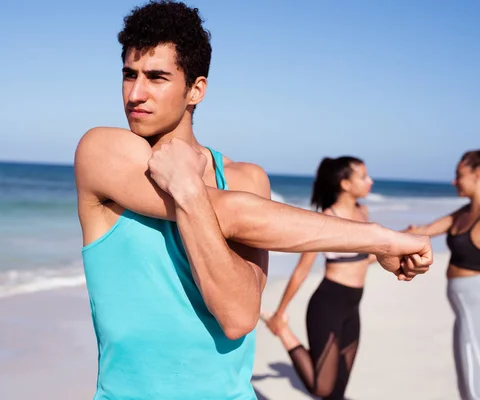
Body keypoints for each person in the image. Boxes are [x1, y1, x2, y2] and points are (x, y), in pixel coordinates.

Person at [73, 1, 432, 398]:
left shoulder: (245, 177)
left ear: (196, 89)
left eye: (157, 77)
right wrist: (380, 238)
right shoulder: (101, 152)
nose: (136, 94)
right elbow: (233, 213)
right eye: (129, 75)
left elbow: (239, 315)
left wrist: (188, 189)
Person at [260, 156, 378, 399]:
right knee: (321, 388)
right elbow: (302, 269)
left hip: (353, 306)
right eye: (363, 177)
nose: (370, 181)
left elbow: (363, 258)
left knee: (339, 390)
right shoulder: (326, 219)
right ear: (345, 184)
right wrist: (281, 311)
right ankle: (282, 330)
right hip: (328, 305)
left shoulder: (363, 212)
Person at [405, 150, 480, 400]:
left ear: (478, 174)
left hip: (475, 311)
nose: (454, 181)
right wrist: (372, 248)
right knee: (466, 379)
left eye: (459, 175)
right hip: (464, 312)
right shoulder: (462, 214)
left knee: (472, 382)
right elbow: (423, 232)